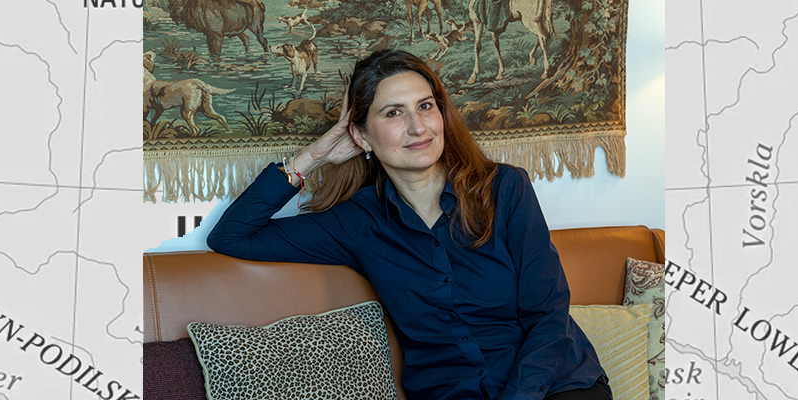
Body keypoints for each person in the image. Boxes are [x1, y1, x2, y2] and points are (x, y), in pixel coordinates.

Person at [207, 49, 611, 400]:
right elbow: (232, 236)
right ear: (362, 136)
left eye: (425, 106)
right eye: (393, 113)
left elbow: (548, 315)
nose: (418, 127)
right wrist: (313, 155)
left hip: (556, 386)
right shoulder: (357, 222)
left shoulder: (505, 189)